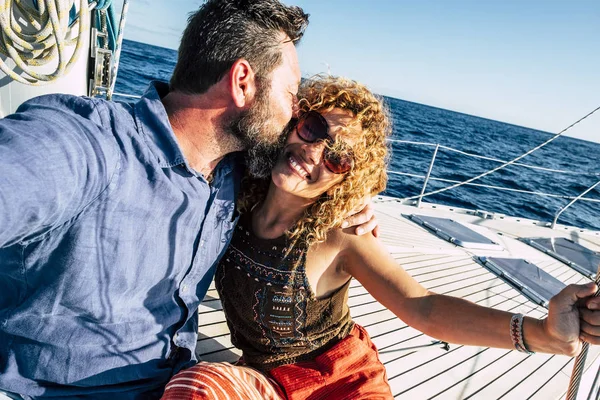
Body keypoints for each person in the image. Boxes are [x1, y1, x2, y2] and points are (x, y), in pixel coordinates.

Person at [0, 1, 376, 399]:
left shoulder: (238, 169)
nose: (295, 113)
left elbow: (311, 167)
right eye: (290, 94)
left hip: (177, 383)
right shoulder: (85, 146)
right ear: (243, 83)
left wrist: (354, 196)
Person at [160, 76, 600, 400]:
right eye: (313, 129)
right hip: (265, 379)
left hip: (339, 382)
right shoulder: (233, 191)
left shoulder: (340, 238)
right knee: (197, 388)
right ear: (293, 122)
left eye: (337, 160)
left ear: (346, 183)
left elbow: (423, 306)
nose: (313, 153)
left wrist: (543, 333)